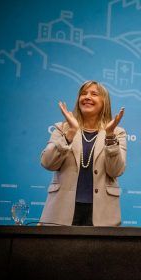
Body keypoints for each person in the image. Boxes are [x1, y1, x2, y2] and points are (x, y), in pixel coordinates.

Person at [40, 81, 126, 226]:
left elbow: (116, 170)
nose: (87, 97)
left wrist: (110, 136)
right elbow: (47, 162)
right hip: (61, 211)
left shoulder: (117, 132)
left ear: (104, 102)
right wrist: (71, 133)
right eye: (83, 93)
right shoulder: (62, 128)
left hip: (102, 214)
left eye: (94, 94)